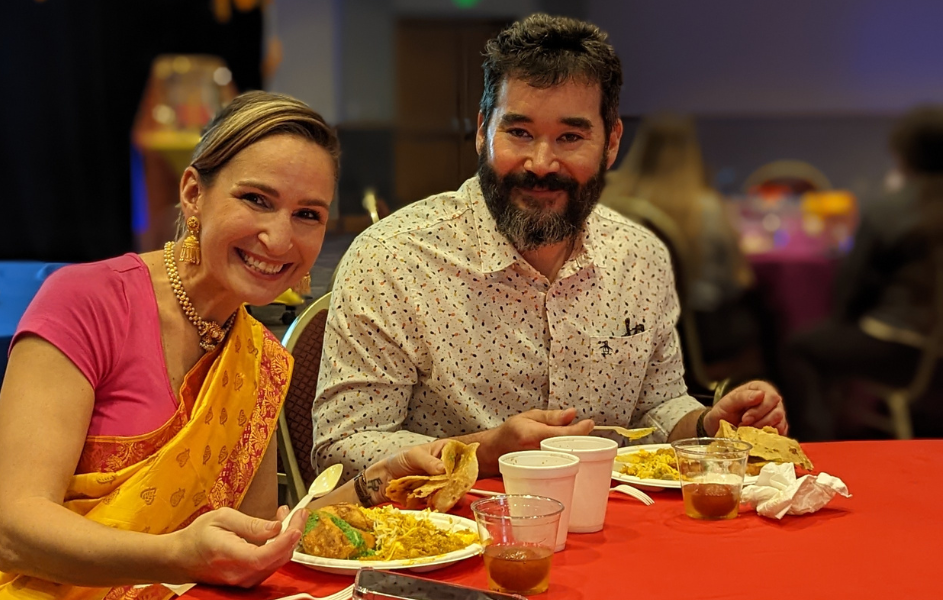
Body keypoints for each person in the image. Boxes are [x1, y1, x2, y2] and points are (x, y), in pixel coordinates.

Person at [0, 91, 449, 600]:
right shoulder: (87, 302)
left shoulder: (260, 361)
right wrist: (178, 555)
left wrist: (376, 482)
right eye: (256, 200)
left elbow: (251, 536)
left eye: (307, 214)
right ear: (193, 194)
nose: (278, 238)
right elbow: (15, 533)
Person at [313, 15, 787, 480]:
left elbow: (656, 408)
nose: (541, 162)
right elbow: (342, 448)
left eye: (570, 136)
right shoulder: (393, 260)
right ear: (483, 131)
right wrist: (483, 451)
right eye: (519, 132)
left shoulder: (639, 257)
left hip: (613, 530)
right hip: (450, 538)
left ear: (611, 142)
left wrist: (709, 425)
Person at [783, 105, 943, 440]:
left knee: (800, 347)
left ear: (905, 154)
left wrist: (842, 322)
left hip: (901, 348)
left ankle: (818, 444)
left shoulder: (891, 209)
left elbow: (851, 291)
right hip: (933, 348)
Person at [601, 114, 760, 367]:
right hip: (697, 336)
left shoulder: (610, 200)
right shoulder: (706, 208)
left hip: (626, 330)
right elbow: (732, 279)